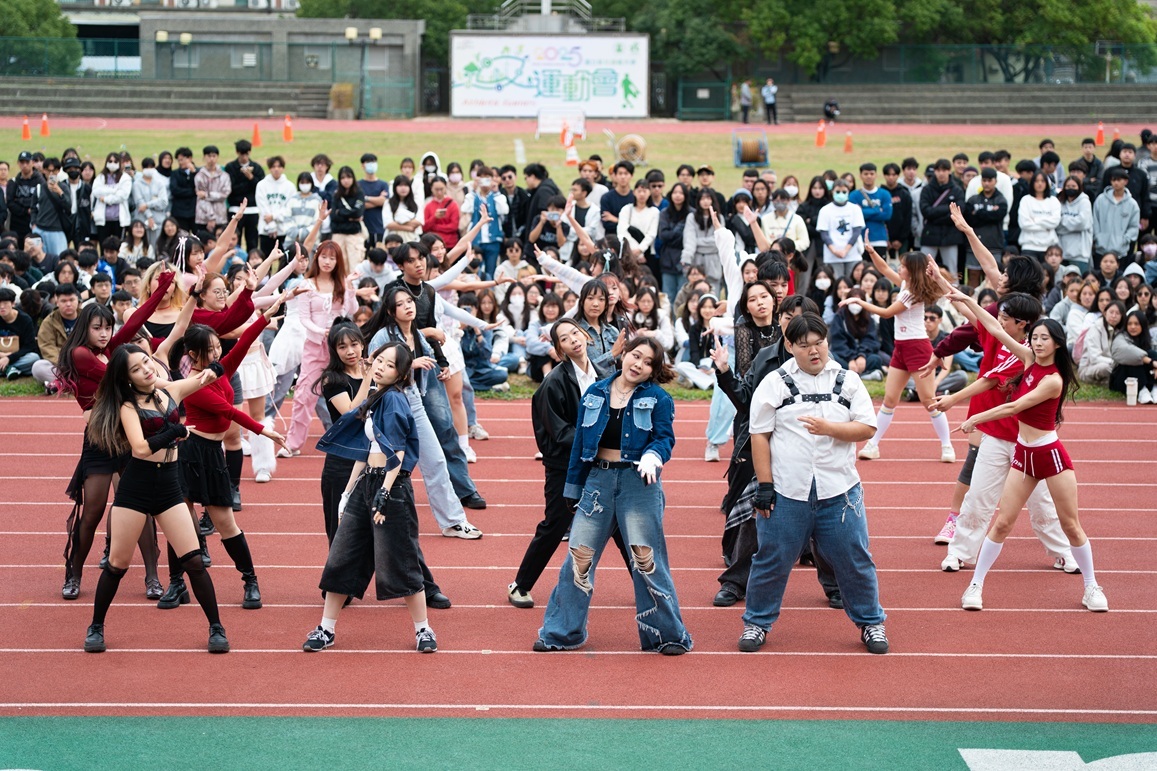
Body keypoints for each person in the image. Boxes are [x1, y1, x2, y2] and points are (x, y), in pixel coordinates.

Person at [946, 293, 1108, 613]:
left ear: (1057, 344)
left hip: (1049, 455)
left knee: (1070, 524)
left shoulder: (1053, 381)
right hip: (1024, 455)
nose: (1037, 343)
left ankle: (1092, 586)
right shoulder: (1030, 360)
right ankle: (975, 585)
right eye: (1034, 338)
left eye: (1044, 339)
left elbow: (1016, 406)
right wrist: (968, 299)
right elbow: (995, 328)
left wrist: (976, 418)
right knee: (1003, 523)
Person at [741, 311, 889, 654]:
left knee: (855, 560)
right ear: (789, 345)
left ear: (828, 341)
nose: (814, 351)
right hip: (786, 492)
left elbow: (867, 427)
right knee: (771, 560)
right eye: (804, 345)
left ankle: (871, 623)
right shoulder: (774, 382)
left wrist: (830, 429)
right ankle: (756, 623)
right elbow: (759, 435)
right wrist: (764, 486)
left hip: (839, 492)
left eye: (819, 343)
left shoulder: (848, 380)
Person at [535, 337, 691, 655]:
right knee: (578, 559)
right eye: (636, 355)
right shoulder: (595, 392)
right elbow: (580, 442)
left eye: (648, 362)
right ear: (623, 356)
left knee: (648, 562)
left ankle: (667, 635)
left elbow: (665, 438)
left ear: (654, 370)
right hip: (597, 482)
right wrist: (573, 489)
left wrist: (653, 456)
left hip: (639, 484)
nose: (639, 364)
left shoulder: (658, 398)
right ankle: (561, 632)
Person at [81, 344, 227, 653]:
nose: (146, 369)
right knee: (117, 565)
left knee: (194, 560)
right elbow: (141, 448)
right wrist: (175, 431)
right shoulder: (127, 407)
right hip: (136, 488)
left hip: (169, 487)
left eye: (146, 362)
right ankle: (95, 627)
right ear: (126, 379)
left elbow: (213, 374)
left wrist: (219, 355)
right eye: (136, 368)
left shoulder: (171, 389)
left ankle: (216, 628)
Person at [305, 342, 439, 653]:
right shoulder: (376, 397)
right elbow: (367, 452)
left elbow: (397, 451)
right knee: (342, 556)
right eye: (379, 360)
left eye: (390, 365)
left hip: (391, 489)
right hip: (368, 486)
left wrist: (384, 492)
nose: (380, 366)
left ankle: (423, 630)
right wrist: (348, 492)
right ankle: (326, 629)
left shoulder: (394, 400)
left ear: (402, 373)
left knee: (402, 560)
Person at [56, 269, 175, 601]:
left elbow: (136, 320)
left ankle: (152, 578)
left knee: (139, 508)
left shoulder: (114, 349)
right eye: (98, 328)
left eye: (108, 327)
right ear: (85, 329)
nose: (106, 333)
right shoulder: (81, 354)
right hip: (98, 440)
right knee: (92, 510)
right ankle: (74, 573)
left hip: (128, 437)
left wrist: (163, 286)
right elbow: (119, 376)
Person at [160, 301, 287, 611]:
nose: (218, 353)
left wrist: (265, 317)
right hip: (190, 453)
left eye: (219, 347)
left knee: (225, 523)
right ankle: (177, 584)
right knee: (181, 521)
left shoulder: (222, 369)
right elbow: (227, 411)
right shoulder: (192, 386)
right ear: (193, 355)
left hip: (212, 455)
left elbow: (243, 344)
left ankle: (250, 580)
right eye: (211, 349)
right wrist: (264, 431)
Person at [508, 318, 634, 608]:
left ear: (586, 337)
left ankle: (646, 584)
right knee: (555, 524)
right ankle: (520, 585)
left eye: (575, 333)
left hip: (600, 464)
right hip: (565, 466)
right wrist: (598, 441)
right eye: (565, 338)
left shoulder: (605, 373)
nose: (573, 340)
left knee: (619, 525)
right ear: (559, 349)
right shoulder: (553, 383)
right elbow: (559, 431)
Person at [851, 248, 955, 462]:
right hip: (901, 348)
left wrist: (860, 302)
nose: (899, 268)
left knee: (928, 400)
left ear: (912, 270)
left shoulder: (911, 293)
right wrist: (871, 251)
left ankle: (947, 446)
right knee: (889, 399)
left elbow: (888, 312)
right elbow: (883, 268)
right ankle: (873, 445)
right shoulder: (906, 284)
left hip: (918, 348)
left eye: (903, 266)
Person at [285, 241, 359, 454]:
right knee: (304, 394)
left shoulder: (342, 284)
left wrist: (350, 288)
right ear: (317, 258)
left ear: (338, 261)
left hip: (340, 346)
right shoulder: (307, 285)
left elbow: (351, 310)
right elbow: (304, 318)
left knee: (349, 390)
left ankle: (350, 440)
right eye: (324, 257)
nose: (327, 262)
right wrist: (321, 332)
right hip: (315, 346)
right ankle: (293, 443)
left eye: (332, 258)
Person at [815, 179, 864, 280]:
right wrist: (835, 251)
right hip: (832, 255)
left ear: (848, 192)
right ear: (832, 192)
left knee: (853, 281)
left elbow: (856, 232)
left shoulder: (855, 209)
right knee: (836, 283)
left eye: (844, 192)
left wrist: (846, 250)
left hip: (853, 254)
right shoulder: (825, 210)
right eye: (837, 191)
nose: (840, 194)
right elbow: (824, 234)